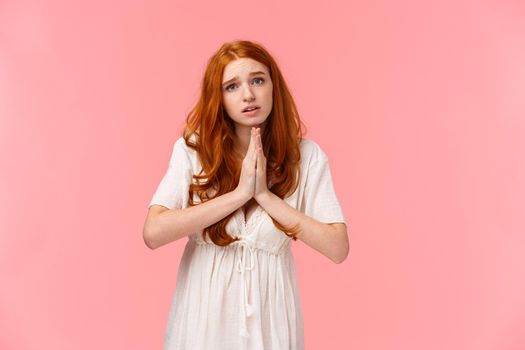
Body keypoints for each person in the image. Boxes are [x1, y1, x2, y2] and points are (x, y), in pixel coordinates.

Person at [143, 40, 349, 350]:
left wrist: (266, 196)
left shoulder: (306, 156)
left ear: (273, 87)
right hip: (204, 319)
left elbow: (337, 248)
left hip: (272, 320)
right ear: (219, 98)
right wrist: (240, 194)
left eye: (257, 80)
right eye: (232, 86)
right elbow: (154, 232)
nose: (248, 95)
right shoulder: (194, 150)